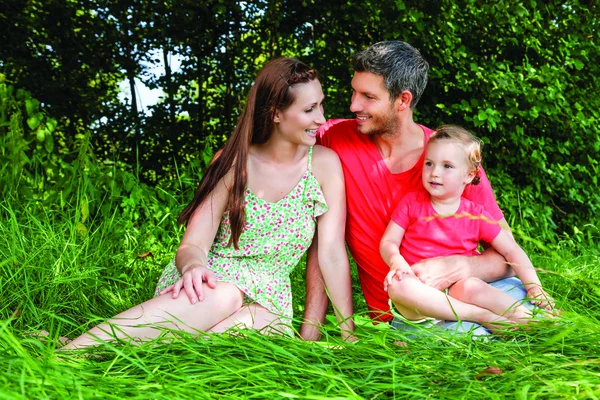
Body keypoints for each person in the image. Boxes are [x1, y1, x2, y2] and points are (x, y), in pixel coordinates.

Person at [63, 58, 355, 349]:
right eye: (309, 109)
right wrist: (192, 268)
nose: (321, 118)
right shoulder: (234, 162)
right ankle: (72, 353)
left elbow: (331, 252)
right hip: (210, 283)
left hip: (269, 302)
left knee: (268, 323)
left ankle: (111, 348)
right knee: (227, 295)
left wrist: (349, 336)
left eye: (321, 105)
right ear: (276, 114)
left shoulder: (323, 165)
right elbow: (194, 244)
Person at [300, 40, 526, 340]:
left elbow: (509, 257)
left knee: (516, 322)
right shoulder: (333, 139)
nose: (354, 105)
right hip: (409, 311)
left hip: (474, 291)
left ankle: (540, 327)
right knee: (470, 344)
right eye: (354, 91)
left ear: (403, 100)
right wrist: (310, 332)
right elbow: (323, 239)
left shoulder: (450, 160)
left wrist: (459, 266)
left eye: (368, 96)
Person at [380, 125, 553, 331]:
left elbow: (512, 250)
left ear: (469, 175)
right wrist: (396, 260)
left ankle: (536, 323)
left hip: (458, 290)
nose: (434, 172)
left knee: (472, 286)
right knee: (398, 285)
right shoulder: (412, 203)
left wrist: (534, 287)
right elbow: (389, 241)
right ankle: (481, 315)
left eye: (447, 166)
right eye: (429, 163)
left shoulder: (476, 214)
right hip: (421, 298)